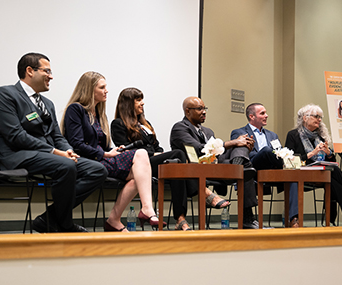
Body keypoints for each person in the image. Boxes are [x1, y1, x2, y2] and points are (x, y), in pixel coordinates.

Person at [0, 53, 108, 233]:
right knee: (66, 166)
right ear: (30, 71)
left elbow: (57, 135)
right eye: (47, 71)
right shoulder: (5, 94)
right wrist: (54, 152)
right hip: (17, 156)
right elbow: (15, 135)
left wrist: (68, 150)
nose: (51, 76)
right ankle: (65, 224)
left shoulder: (47, 103)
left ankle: (49, 219)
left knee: (97, 170)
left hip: (49, 156)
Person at [111, 88, 227, 231]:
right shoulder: (118, 124)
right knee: (177, 154)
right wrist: (154, 155)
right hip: (136, 166)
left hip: (152, 165)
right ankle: (204, 192)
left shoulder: (145, 124)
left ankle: (180, 219)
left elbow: (157, 147)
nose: (142, 103)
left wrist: (158, 154)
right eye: (138, 100)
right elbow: (126, 150)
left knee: (176, 167)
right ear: (128, 103)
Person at [60, 72, 161, 232]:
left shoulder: (98, 113)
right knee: (140, 155)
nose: (107, 91)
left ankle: (114, 219)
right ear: (89, 90)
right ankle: (146, 209)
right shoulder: (76, 109)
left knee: (137, 177)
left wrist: (111, 150)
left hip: (101, 158)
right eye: (102, 87)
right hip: (87, 161)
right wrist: (105, 154)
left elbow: (101, 144)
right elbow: (76, 144)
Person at [170, 96, 262, 229]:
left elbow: (219, 154)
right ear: (187, 111)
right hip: (196, 170)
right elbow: (199, 149)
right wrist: (233, 142)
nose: (204, 112)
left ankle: (239, 164)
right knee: (243, 162)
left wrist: (240, 143)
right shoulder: (179, 128)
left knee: (242, 144)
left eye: (205, 108)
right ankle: (240, 168)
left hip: (216, 166)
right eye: (199, 109)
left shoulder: (208, 131)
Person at [285, 104, 342, 225]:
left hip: (321, 172)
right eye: (316, 116)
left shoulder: (320, 137)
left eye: (320, 117)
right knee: (334, 175)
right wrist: (312, 153)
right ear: (305, 118)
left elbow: (332, 162)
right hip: (302, 173)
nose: (319, 120)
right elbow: (290, 160)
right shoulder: (293, 135)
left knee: (334, 176)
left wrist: (328, 154)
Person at [231, 103, 300, 227]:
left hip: (272, 168)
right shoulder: (239, 132)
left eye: (266, 112)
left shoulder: (272, 135)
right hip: (252, 167)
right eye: (262, 113)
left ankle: (294, 219)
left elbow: (279, 153)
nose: (266, 115)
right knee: (267, 151)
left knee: (292, 175)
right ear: (252, 116)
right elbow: (241, 154)